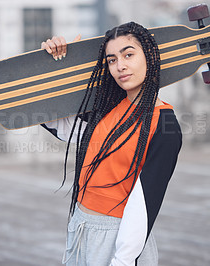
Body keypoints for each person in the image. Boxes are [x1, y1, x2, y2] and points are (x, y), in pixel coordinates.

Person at [40, 22, 182, 266]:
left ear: (149, 56)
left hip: (118, 239)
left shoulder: (164, 124)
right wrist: (59, 64)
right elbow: (60, 126)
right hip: (81, 227)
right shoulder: (109, 107)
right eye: (112, 60)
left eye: (128, 55)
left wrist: (123, 260)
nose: (120, 66)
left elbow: (144, 204)